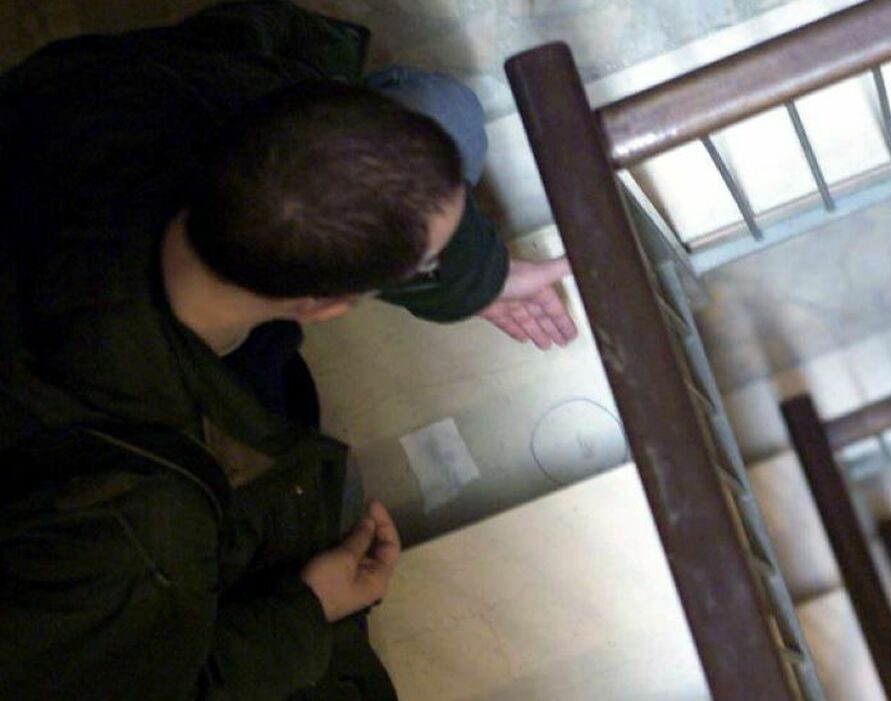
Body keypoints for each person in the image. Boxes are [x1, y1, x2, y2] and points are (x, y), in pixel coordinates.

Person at [0, 1, 576, 698]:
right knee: (338, 502)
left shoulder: (139, 102)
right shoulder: (143, 520)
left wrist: (477, 281)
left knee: (442, 115)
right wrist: (308, 610)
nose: (446, 263)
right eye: (428, 265)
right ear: (324, 306)